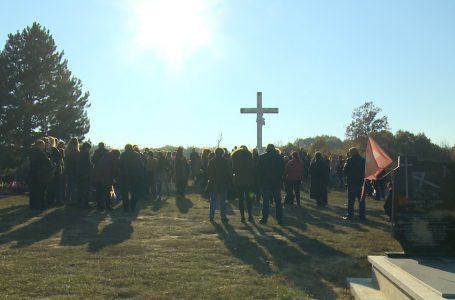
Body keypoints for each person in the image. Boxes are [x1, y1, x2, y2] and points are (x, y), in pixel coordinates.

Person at [257, 144, 284, 225]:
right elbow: (282, 170)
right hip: (276, 183)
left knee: (265, 202)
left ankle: (264, 219)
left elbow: (259, 172)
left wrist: (260, 183)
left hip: (266, 183)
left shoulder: (261, 157)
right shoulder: (279, 157)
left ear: (267, 149)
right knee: (278, 202)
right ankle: (279, 219)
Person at [207, 148, 232, 222]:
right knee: (222, 202)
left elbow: (208, 172)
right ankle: (223, 216)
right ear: (222, 153)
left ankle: (211, 217)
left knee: (213, 202)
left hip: (213, 183)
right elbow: (229, 173)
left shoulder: (211, 161)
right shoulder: (226, 161)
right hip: (223, 183)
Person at [232, 146, 255, 222]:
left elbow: (233, 169)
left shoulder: (235, 157)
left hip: (239, 181)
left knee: (241, 199)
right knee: (249, 199)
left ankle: (242, 216)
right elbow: (253, 169)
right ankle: (250, 215)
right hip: (249, 182)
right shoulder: (250, 157)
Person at [28, 139, 53, 210]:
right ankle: (40, 205)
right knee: (40, 190)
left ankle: (32, 205)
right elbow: (47, 163)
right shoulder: (41, 153)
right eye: (43, 145)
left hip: (32, 173)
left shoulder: (32, 152)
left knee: (33, 191)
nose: (44, 147)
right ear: (40, 145)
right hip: (39, 174)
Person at [119, 144, 144, 212]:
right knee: (134, 192)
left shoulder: (123, 154)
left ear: (125, 148)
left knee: (125, 193)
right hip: (134, 176)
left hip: (124, 176)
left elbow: (120, 165)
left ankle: (126, 208)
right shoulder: (137, 154)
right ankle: (133, 207)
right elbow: (141, 165)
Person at [343, 147, 366, 220]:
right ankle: (362, 216)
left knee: (351, 200)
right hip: (361, 183)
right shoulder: (363, 160)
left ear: (351, 153)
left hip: (352, 182)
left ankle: (350, 215)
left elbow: (344, 171)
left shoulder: (349, 160)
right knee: (361, 201)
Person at [64, 137, 80, 204]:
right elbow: (77, 161)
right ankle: (73, 200)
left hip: (68, 169)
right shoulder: (76, 151)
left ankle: (67, 199)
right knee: (73, 185)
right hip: (74, 169)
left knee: (68, 185)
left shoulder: (67, 150)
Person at [77, 142, 93, 208]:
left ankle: (80, 202)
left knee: (80, 189)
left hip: (80, 173)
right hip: (86, 174)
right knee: (86, 189)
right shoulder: (86, 153)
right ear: (87, 147)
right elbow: (88, 164)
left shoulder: (79, 152)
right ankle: (86, 204)